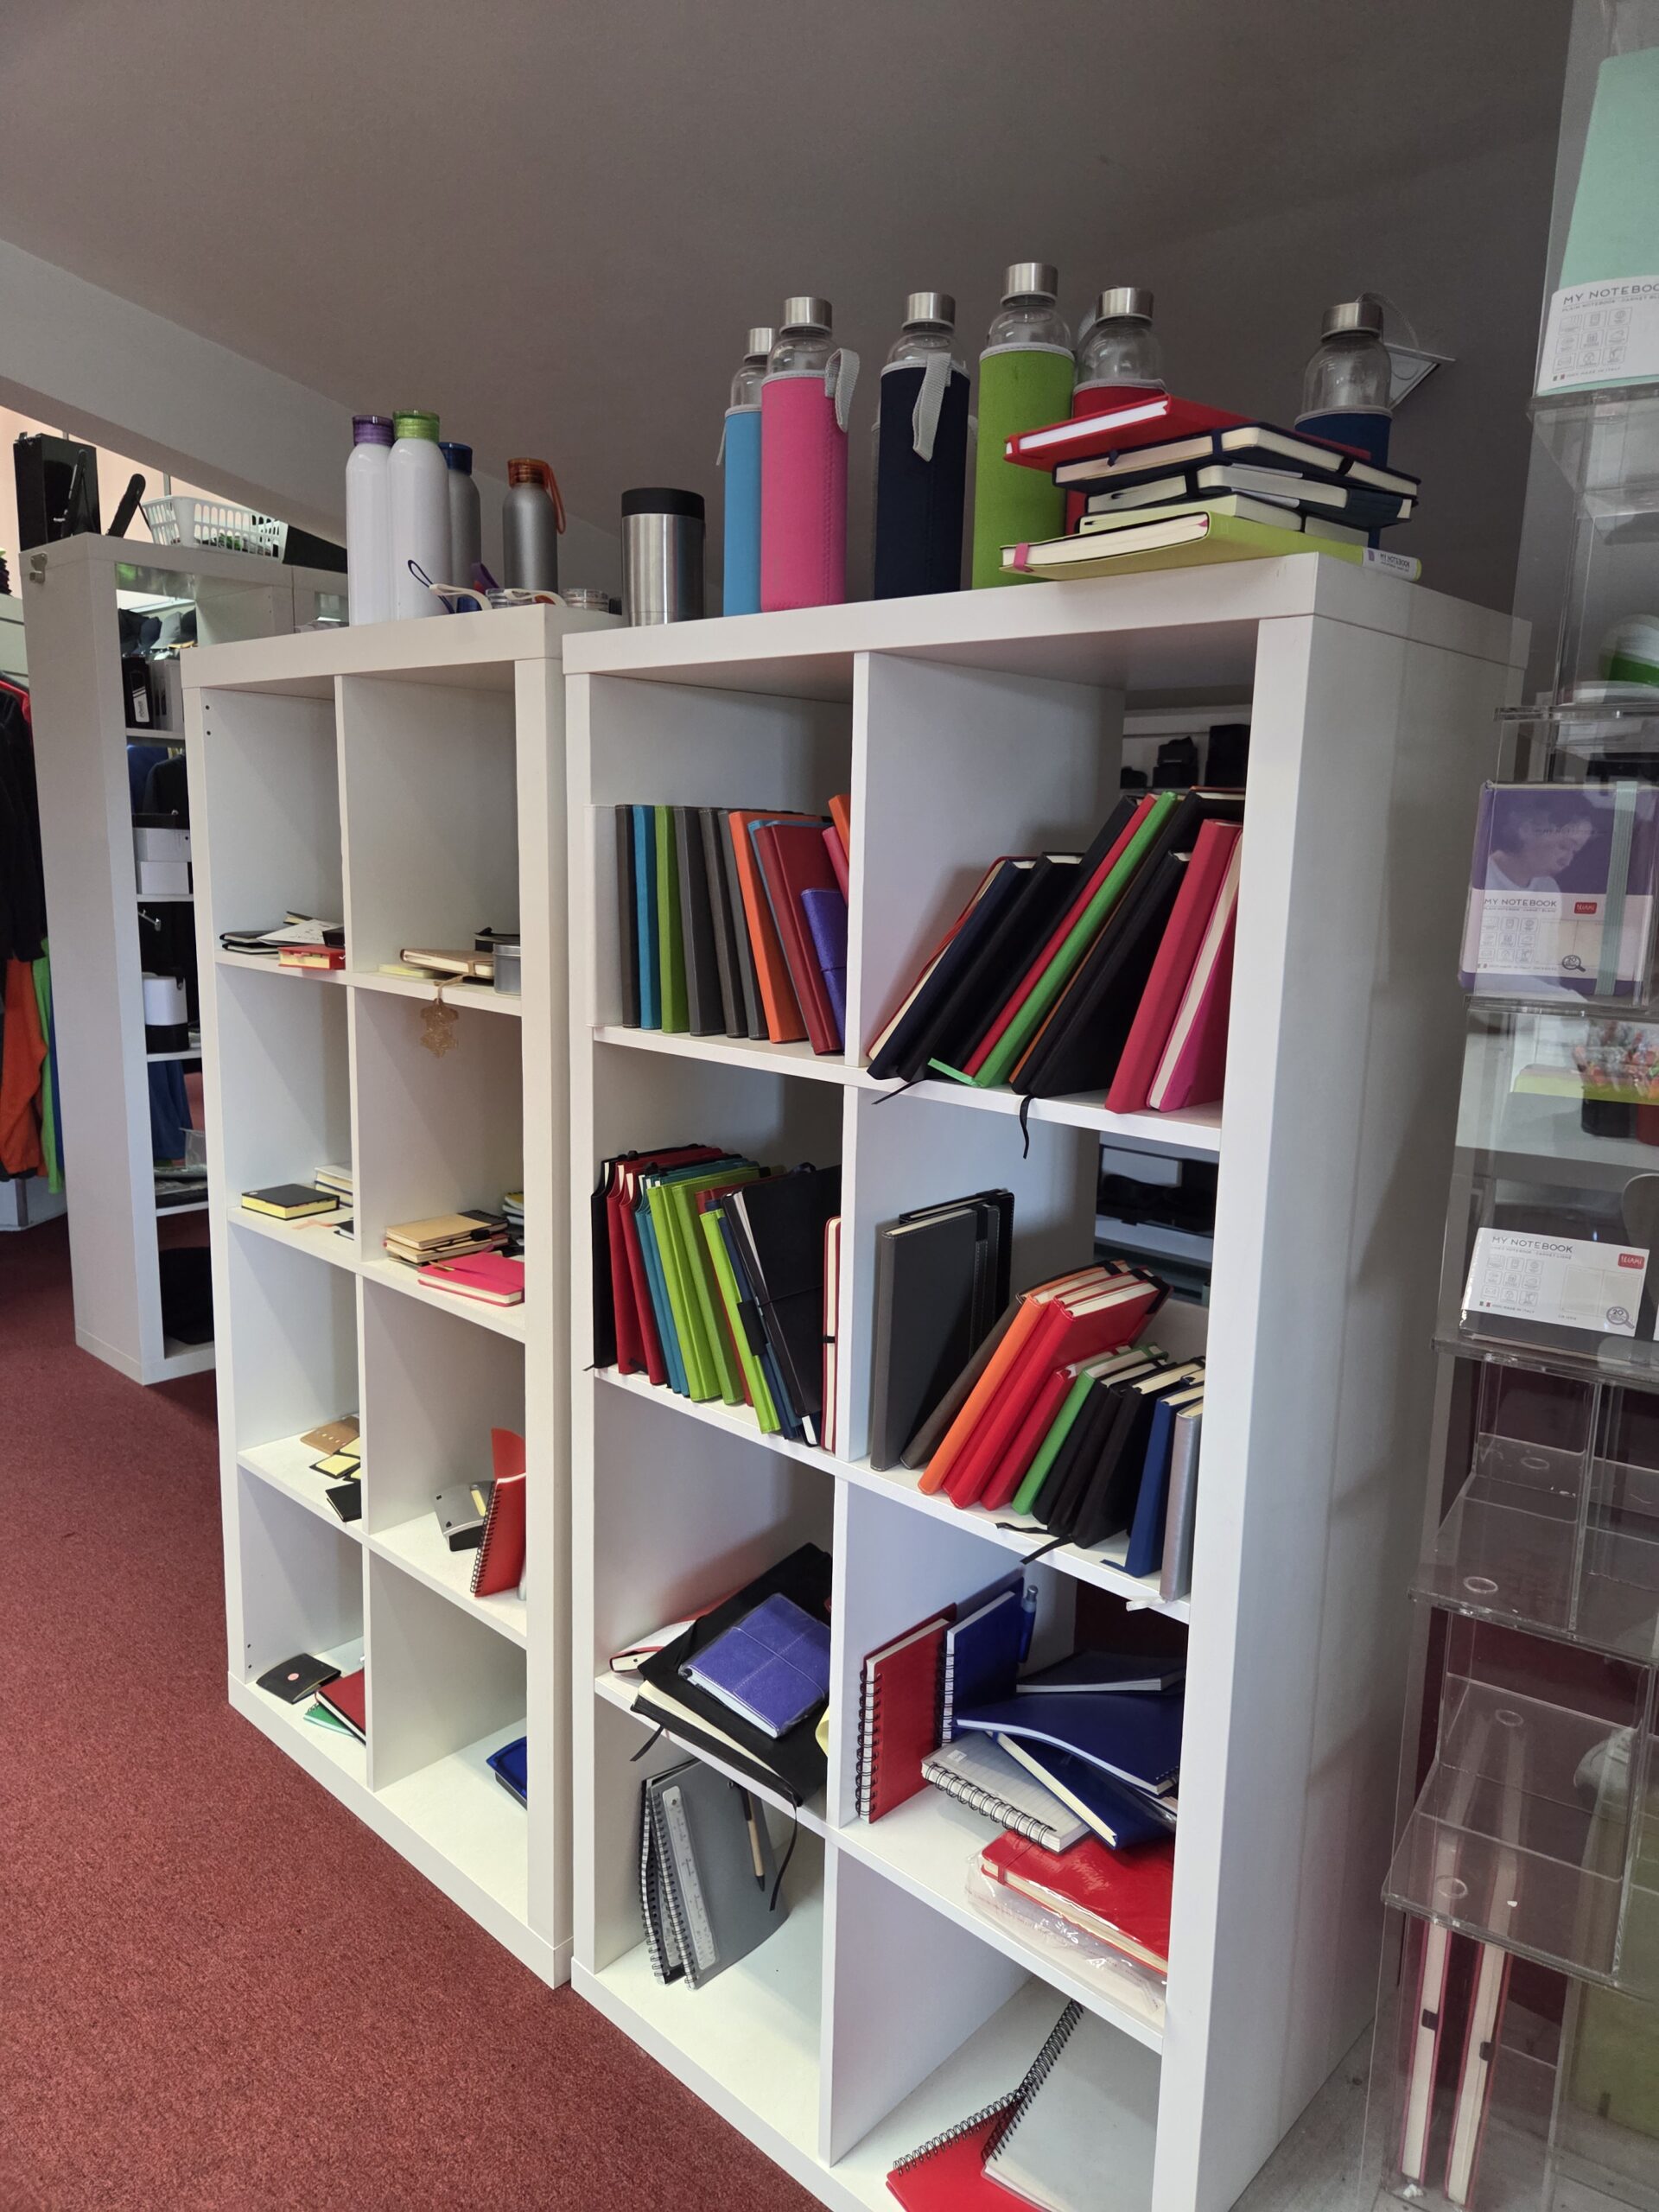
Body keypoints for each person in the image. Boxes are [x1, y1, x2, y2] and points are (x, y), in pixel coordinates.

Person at [1486, 791, 1596, 892]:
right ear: (1527, 829)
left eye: (1574, 852)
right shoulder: (1482, 878)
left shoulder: (1548, 887)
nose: (1566, 862)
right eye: (1564, 846)